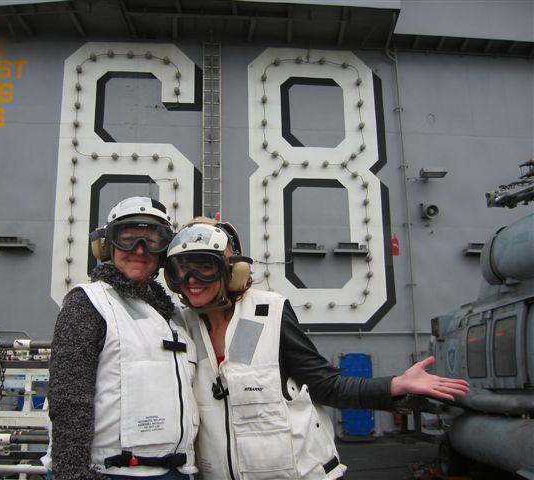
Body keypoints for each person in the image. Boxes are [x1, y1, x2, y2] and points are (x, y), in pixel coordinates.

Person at [163, 217, 471, 480]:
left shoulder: (269, 312)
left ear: (232, 271)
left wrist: (395, 385)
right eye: (181, 269)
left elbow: (325, 385)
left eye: (205, 267)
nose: (191, 280)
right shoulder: (181, 327)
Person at [46, 196, 199, 480]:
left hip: (177, 472)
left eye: (152, 241)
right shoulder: (88, 303)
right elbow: (69, 397)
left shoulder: (175, 316)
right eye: (127, 239)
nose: (139, 250)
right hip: (110, 473)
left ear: (165, 250)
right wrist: (73, 474)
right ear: (107, 246)